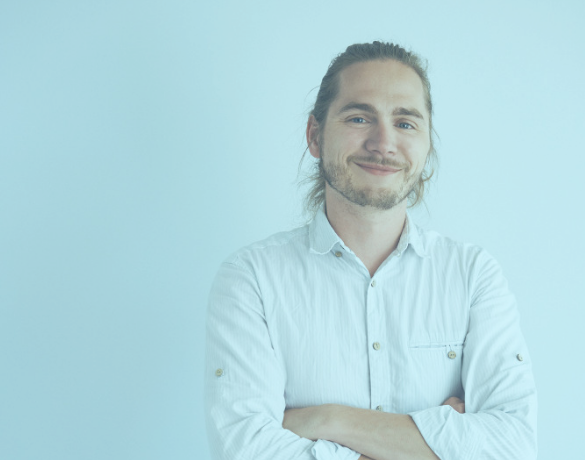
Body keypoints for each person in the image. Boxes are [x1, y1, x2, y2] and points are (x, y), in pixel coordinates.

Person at [204, 41, 537, 460]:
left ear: (427, 142)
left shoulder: (472, 276)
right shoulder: (251, 279)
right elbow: (245, 450)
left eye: (406, 123)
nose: (383, 143)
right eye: (360, 117)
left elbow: (513, 447)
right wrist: (437, 441)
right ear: (315, 135)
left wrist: (326, 420)